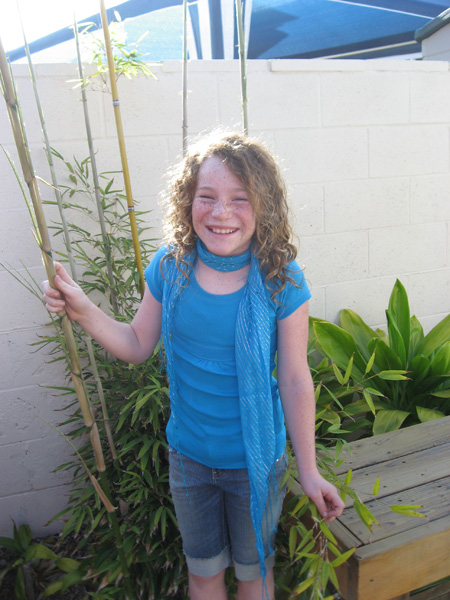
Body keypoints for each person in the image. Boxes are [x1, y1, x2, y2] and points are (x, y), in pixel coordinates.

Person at [42, 130, 344, 600]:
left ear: (264, 205)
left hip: (256, 464)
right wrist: (83, 310)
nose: (221, 213)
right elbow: (137, 343)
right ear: (187, 201)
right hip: (190, 462)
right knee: (203, 574)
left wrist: (309, 471)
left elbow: (293, 378)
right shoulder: (172, 267)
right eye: (207, 197)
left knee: (254, 575)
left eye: (240, 199)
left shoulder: (280, 278)